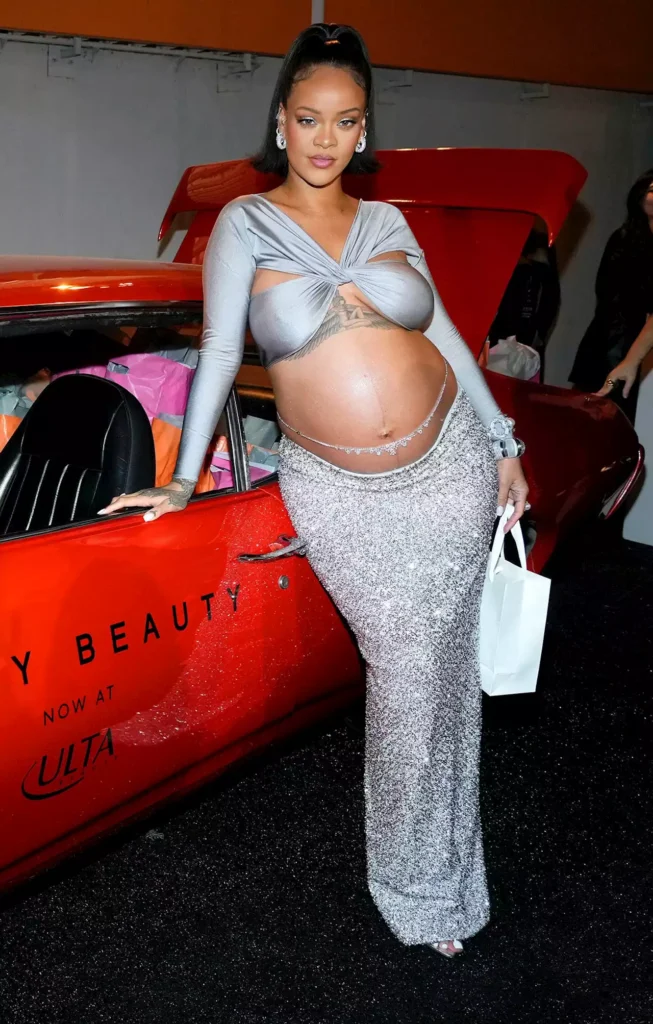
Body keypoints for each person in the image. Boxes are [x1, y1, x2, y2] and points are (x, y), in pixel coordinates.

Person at [100, 23, 528, 958]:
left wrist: (502, 440)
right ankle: (417, 887)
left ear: (364, 129)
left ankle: (447, 872)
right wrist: (181, 481)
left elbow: (444, 335)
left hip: (451, 467)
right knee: (409, 675)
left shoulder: (389, 223)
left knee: (444, 678)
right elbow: (219, 351)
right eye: (308, 118)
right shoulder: (245, 223)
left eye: (345, 120)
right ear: (280, 123)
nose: (325, 138)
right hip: (342, 491)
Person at [570, 169, 653, 420]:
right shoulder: (623, 238)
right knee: (589, 412)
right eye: (651, 189)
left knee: (620, 417)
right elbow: (605, 293)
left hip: (637, 346)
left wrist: (631, 359)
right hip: (607, 338)